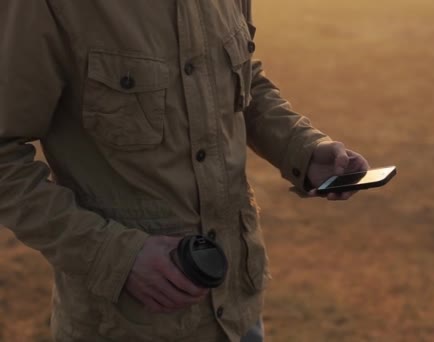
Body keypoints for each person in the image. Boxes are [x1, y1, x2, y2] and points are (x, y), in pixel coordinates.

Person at [0, 1, 369, 341]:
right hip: (123, 326)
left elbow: (243, 82)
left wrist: (303, 148)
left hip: (237, 316)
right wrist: (114, 256)